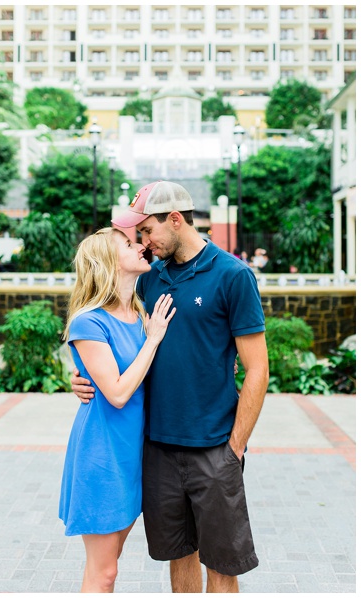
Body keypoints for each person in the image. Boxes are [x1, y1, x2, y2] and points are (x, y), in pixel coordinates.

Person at [72, 180, 269, 593]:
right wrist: (82, 378)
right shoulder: (150, 277)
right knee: (179, 559)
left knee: (222, 567)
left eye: (147, 231)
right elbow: (111, 337)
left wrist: (235, 446)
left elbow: (257, 369)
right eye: (138, 235)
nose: (143, 243)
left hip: (214, 447)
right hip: (158, 450)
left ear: (175, 220)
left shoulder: (233, 276)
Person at [59, 228, 176, 592]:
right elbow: (119, 393)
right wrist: (153, 339)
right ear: (109, 262)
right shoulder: (89, 321)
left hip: (133, 456)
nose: (140, 245)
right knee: (104, 572)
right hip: (102, 454)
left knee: (105, 567)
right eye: (128, 244)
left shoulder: (140, 312)